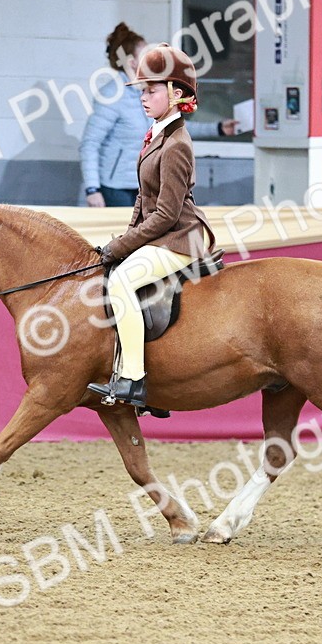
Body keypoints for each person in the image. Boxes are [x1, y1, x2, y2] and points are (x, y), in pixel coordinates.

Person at [86, 43, 217, 409]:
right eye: (142, 90)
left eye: (151, 90)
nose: (143, 97)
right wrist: (124, 239)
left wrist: (121, 247)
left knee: (122, 281)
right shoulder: (158, 133)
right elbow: (143, 200)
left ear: (176, 94)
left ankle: (133, 379)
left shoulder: (176, 144)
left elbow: (166, 215)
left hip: (181, 238)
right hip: (165, 235)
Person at [79, 22, 236, 208]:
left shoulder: (153, 90)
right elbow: (90, 144)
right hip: (115, 189)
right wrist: (92, 189)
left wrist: (218, 129)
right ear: (132, 63)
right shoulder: (111, 95)